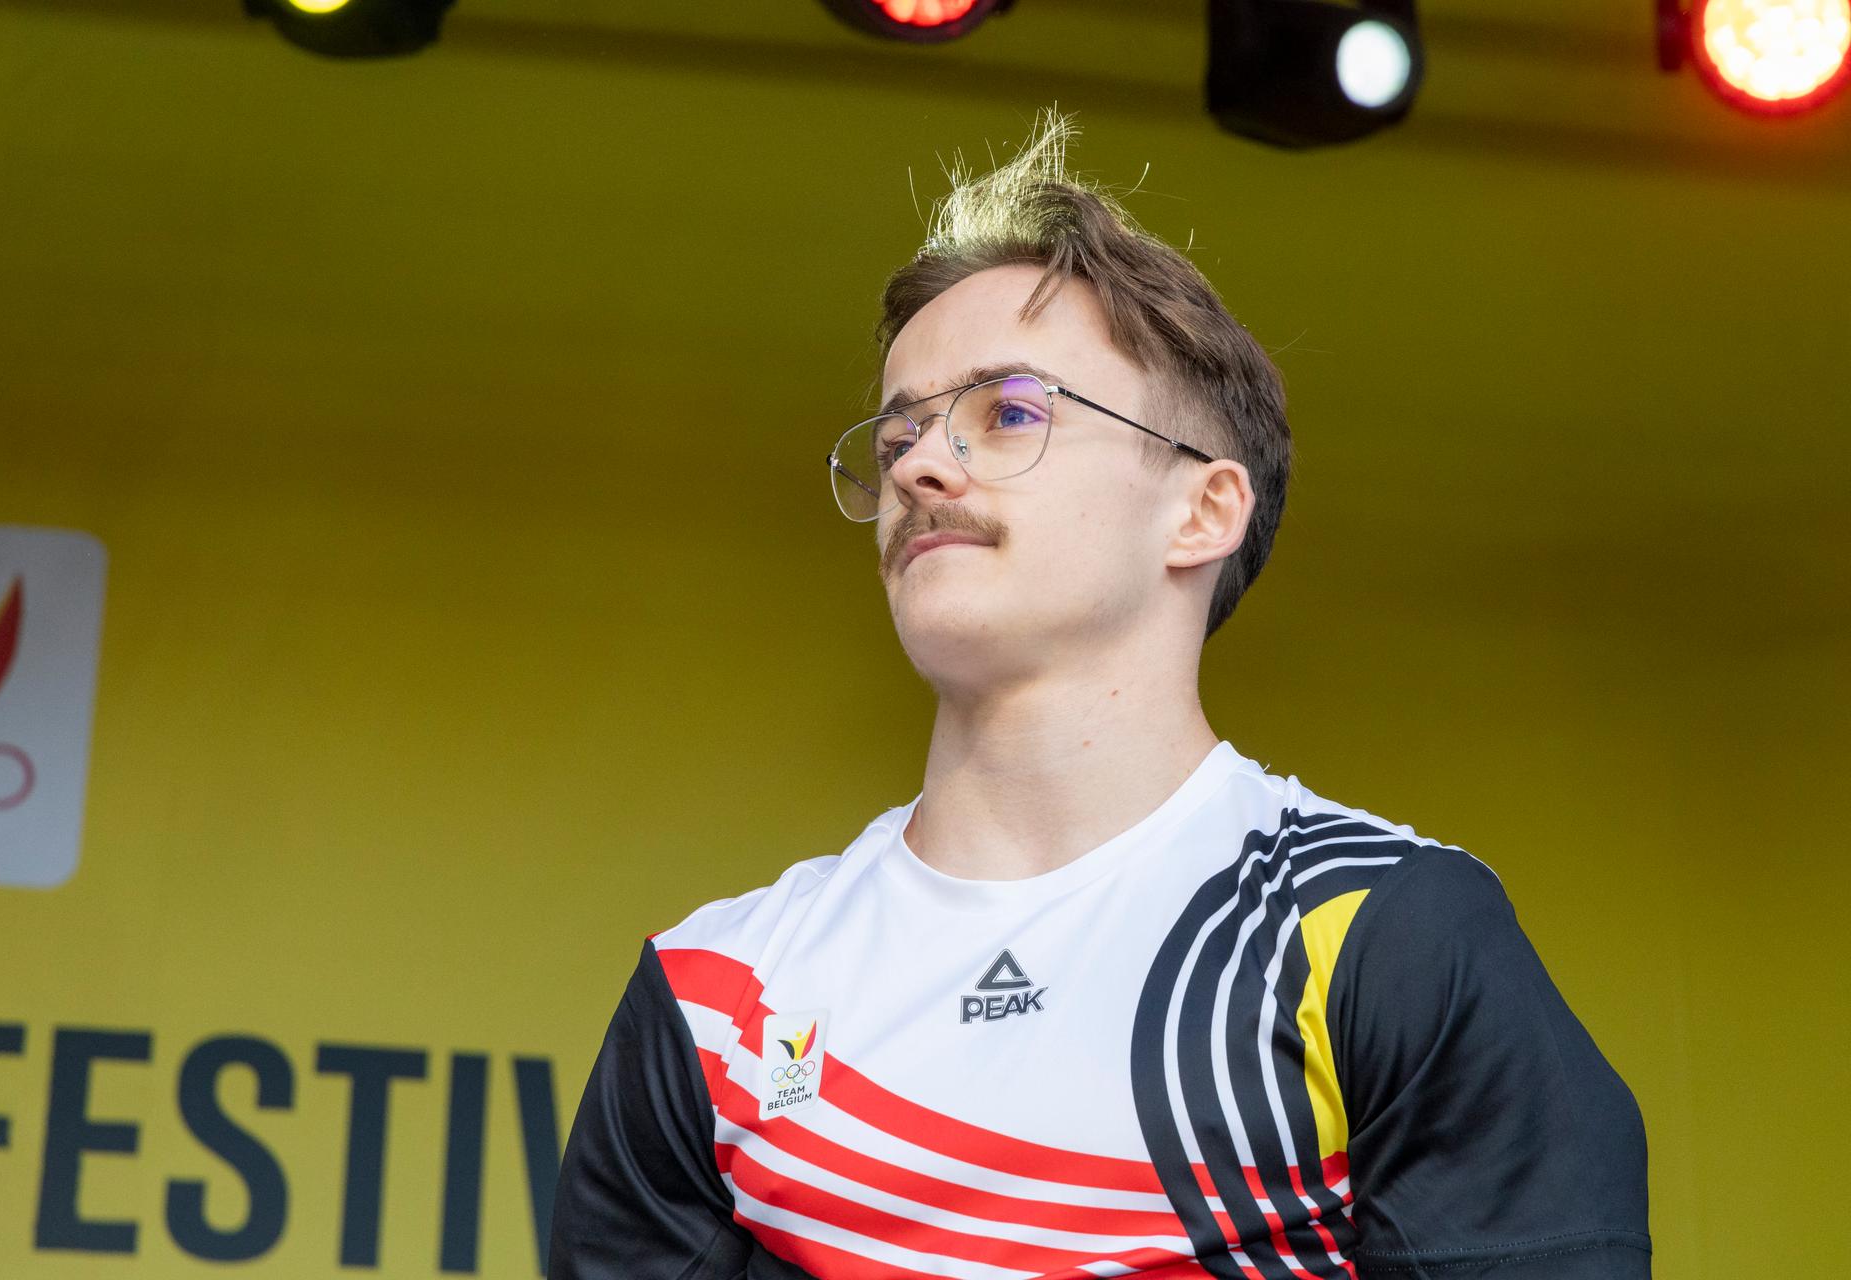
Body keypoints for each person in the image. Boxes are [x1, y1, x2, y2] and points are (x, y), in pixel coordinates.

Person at [549, 107, 1649, 1280]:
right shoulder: (713, 996)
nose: (921, 463)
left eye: (1008, 412)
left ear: (1202, 511)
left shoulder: (1385, 937)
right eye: (902, 430)